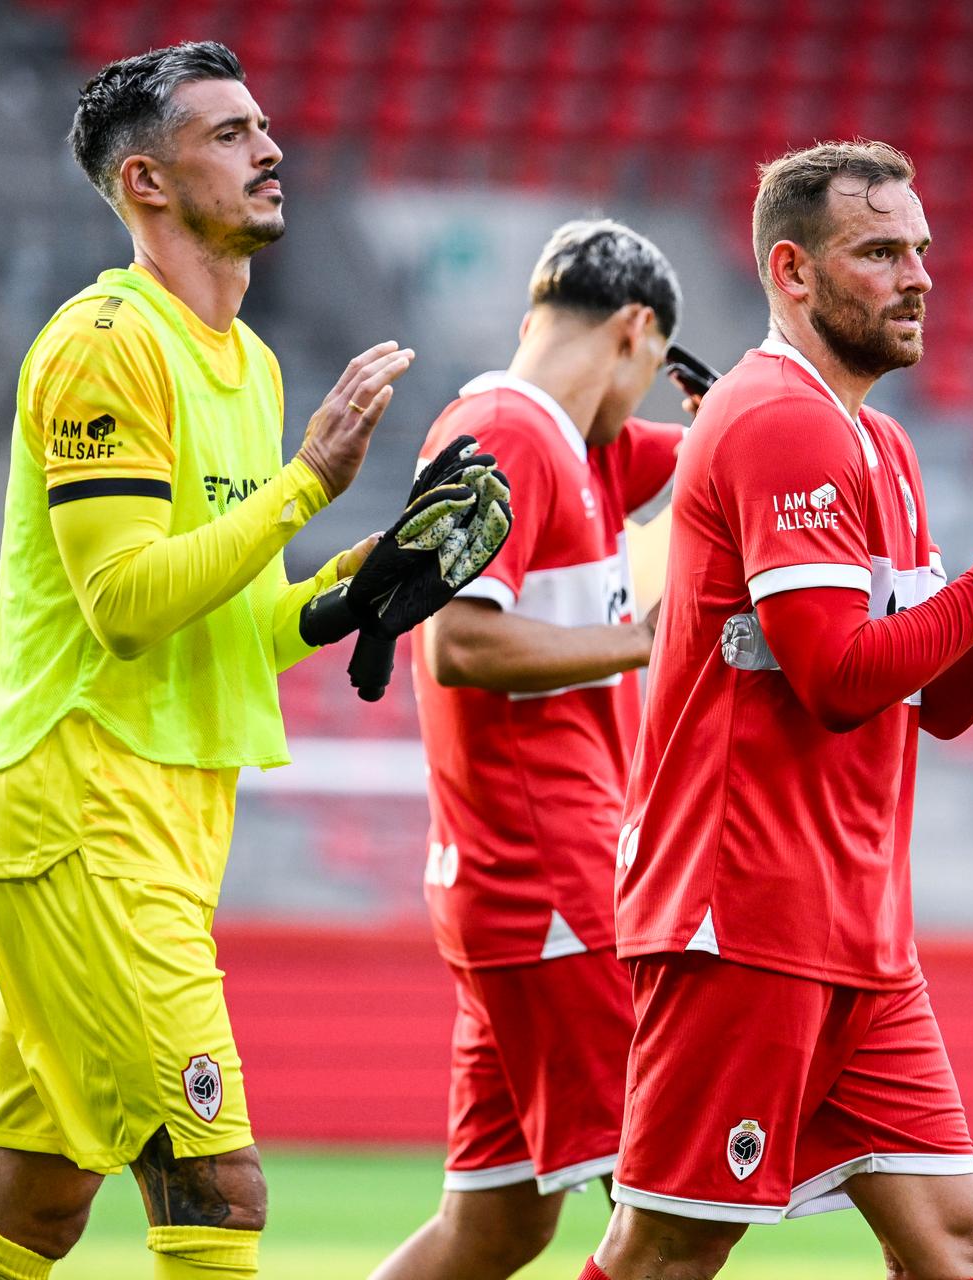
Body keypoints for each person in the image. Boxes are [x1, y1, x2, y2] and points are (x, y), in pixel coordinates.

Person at [0, 42, 507, 1280]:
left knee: (33, 1204)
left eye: (263, 126)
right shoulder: (105, 345)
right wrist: (306, 486)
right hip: (87, 812)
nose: (270, 148)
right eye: (230, 134)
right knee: (216, 1184)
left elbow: (219, 618)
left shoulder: (247, 363)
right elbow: (124, 604)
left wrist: (352, 584)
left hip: (169, 817)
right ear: (144, 181)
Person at [581, 141, 973, 1280]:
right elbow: (835, 679)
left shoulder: (880, 441)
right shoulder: (777, 416)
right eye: (880, 252)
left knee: (958, 1237)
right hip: (745, 916)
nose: (919, 275)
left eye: (921, 249)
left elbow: (935, 700)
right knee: (664, 1254)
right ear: (791, 270)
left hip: (859, 934)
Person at [368, 220, 690, 1280]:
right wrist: (639, 640)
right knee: (669, 1204)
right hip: (553, 875)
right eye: (648, 373)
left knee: (499, 1225)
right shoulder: (507, 431)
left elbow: (708, 452)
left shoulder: (569, 437)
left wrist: (737, 407)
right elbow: (456, 639)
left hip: (515, 881)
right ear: (636, 332)